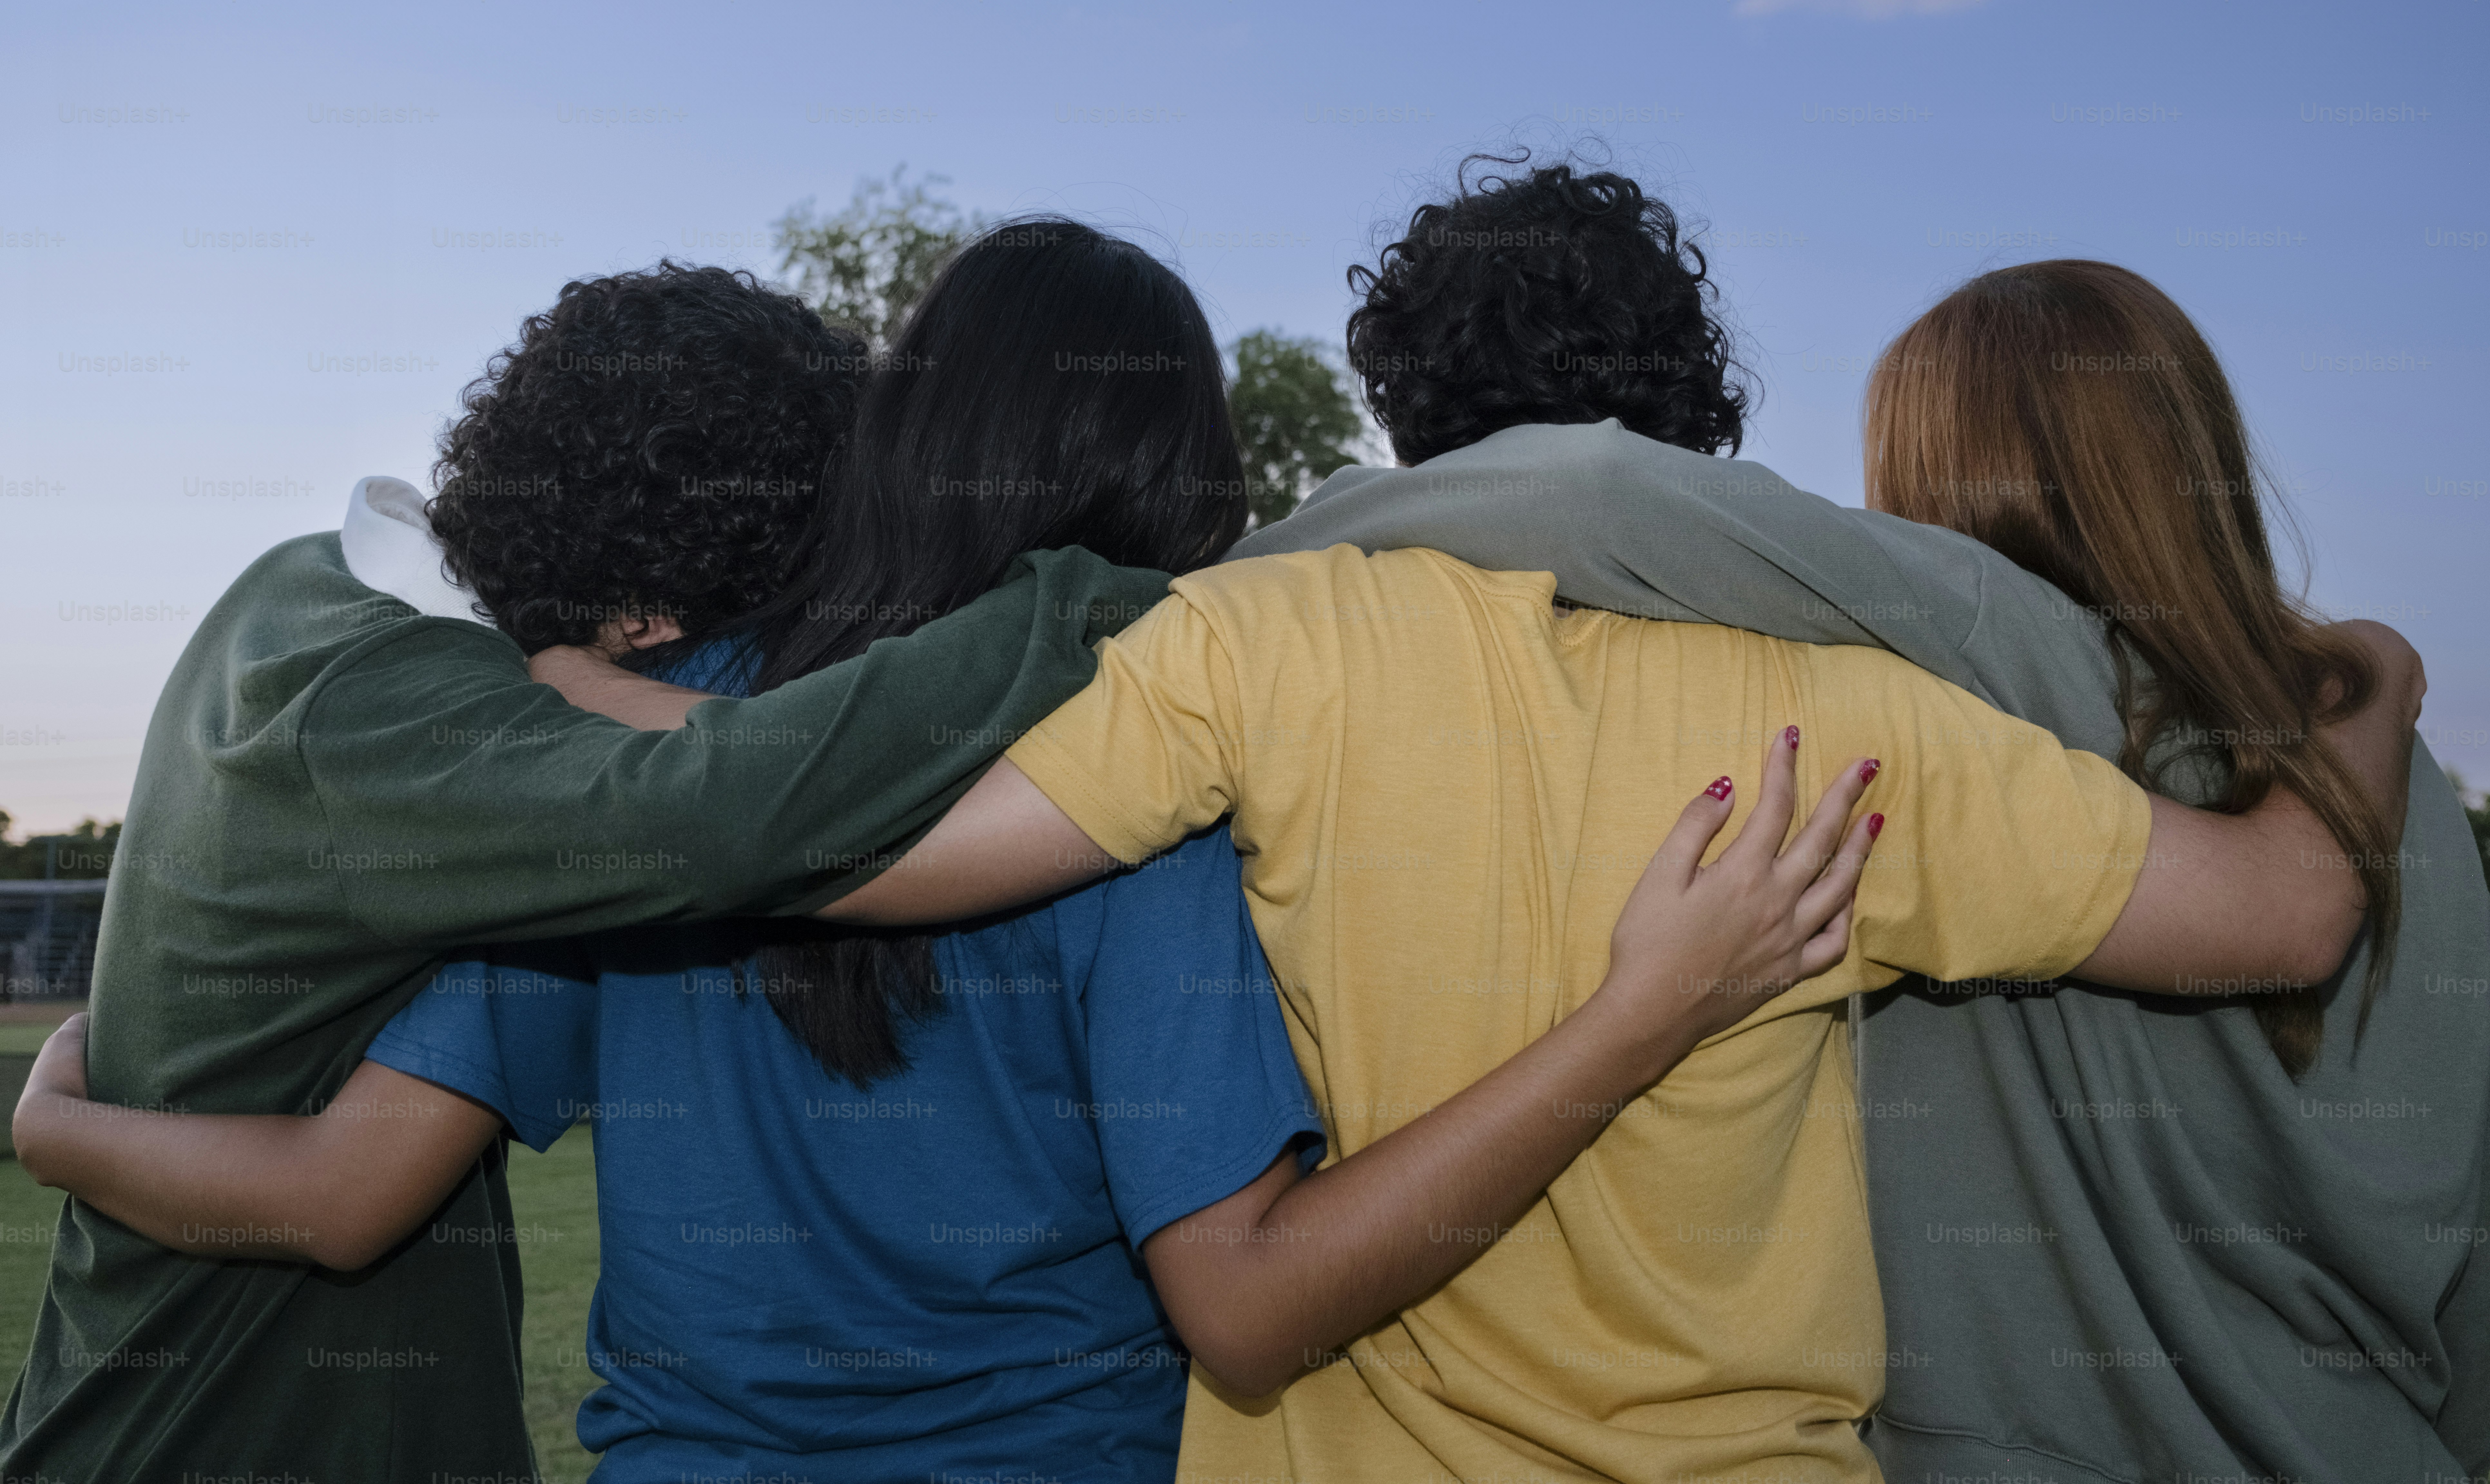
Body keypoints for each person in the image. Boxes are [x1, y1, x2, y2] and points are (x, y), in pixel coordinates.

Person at [506, 205, 2422, 1478]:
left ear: (1408, 410)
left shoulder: (1247, 642)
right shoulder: (1860, 725)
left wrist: (596, 700)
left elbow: (857, 836)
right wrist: (2370, 679)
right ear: (1698, 412)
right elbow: (2284, 916)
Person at [14, 221, 1883, 1484]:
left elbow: (351, 1181)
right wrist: (1636, 1017)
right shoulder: (1138, 792)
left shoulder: (619, 751)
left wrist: (60, 1124)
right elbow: (1246, 1303)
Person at [1211, 162, 2486, 1479]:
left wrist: (1257, 563)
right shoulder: (2385, 775)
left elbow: (1590, 488)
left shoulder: (1982, 649)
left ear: (1948, 468)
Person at [0, 262, 1172, 1484]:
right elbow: (735, 819)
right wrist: (1079, 594)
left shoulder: (300, 588)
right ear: (653, 621)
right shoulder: (417, 718)